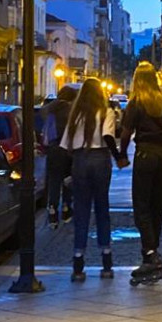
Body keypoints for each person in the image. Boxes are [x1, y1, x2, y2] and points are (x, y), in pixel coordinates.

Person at [118, 62, 162, 285]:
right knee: (159, 206)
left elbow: (126, 134)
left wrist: (122, 155)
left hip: (145, 155)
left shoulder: (136, 103)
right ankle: (151, 254)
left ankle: (150, 254)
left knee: (142, 206)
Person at [62, 77, 120, 282]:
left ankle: (78, 262)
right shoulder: (106, 112)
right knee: (102, 208)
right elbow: (108, 136)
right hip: (100, 159)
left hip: (80, 159)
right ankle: (106, 261)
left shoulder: (76, 114)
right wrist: (118, 156)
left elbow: (66, 145)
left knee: (81, 210)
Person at [42, 84, 78, 229]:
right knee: (68, 178)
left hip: (53, 148)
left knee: (54, 180)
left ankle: (52, 208)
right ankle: (66, 207)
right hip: (69, 148)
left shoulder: (51, 109)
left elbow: (45, 123)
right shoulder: (73, 110)